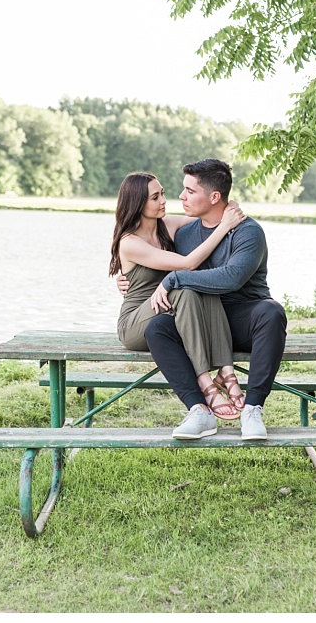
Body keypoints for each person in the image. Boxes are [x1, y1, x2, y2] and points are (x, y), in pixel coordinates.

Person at [127, 159, 287, 441]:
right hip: (200, 325)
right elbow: (137, 237)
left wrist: (173, 279)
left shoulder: (248, 232)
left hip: (242, 322)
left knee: (271, 312)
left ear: (214, 197)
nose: (180, 196)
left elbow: (231, 278)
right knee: (157, 328)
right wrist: (128, 279)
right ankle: (199, 410)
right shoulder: (184, 232)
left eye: (189, 191)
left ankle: (252, 409)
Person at [110, 171, 247, 437]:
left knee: (203, 284)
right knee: (185, 284)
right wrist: (224, 227)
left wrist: (231, 209)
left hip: (165, 312)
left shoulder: (168, 225)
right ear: (138, 203)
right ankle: (205, 382)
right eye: (155, 197)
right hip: (135, 323)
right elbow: (187, 264)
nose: (164, 200)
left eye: (162, 193)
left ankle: (226, 371)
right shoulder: (129, 243)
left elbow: (212, 213)